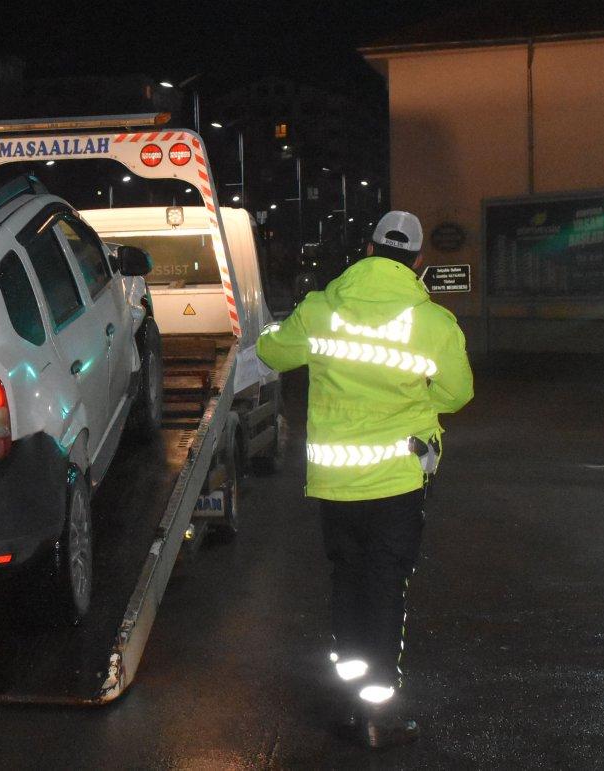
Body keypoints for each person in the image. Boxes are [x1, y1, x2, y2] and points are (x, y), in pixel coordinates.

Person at [256, 211, 473, 749]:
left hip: (337, 485)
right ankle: (379, 712)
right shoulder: (435, 324)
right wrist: (420, 404)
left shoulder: (322, 309)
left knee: (348, 583)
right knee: (384, 587)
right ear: (418, 261)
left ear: (371, 249)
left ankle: (350, 703)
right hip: (398, 482)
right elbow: (457, 393)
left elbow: (272, 352)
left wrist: (269, 329)